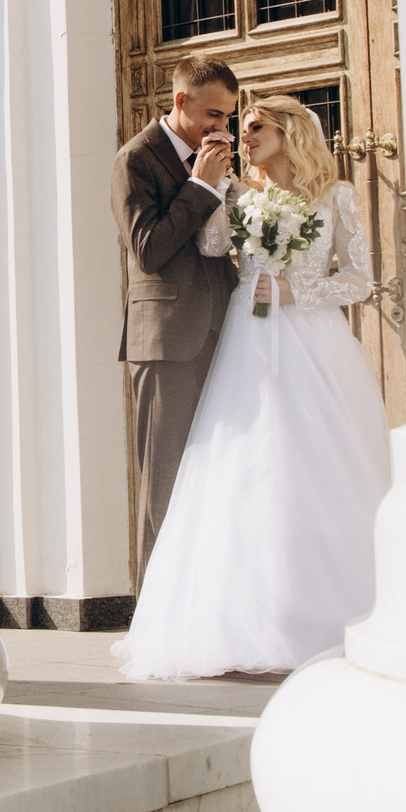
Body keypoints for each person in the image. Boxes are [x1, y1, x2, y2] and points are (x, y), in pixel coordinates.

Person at [116, 93, 392, 680]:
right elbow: (214, 247)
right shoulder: (243, 192)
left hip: (311, 343)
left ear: (291, 131)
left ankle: (329, 610)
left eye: (255, 126)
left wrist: (295, 291)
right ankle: (249, 617)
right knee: (247, 468)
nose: (244, 137)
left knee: (313, 463)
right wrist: (212, 192)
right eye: (241, 128)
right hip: (247, 341)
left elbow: (360, 280)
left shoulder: (335, 195)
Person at [109, 58, 243, 585]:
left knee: (221, 476)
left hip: (225, 332)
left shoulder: (218, 159)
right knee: (164, 482)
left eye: (228, 116)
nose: (222, 128)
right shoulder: (136, 159)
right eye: (213, 114)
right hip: (166, 342)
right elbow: (149, 250)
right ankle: (156, 619)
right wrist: (203, 189)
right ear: (181, 101)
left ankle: (210, 605)